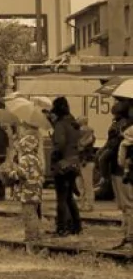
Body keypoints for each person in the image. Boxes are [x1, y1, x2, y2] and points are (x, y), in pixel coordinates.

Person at [47, 97, 82, 236]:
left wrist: (54, 155)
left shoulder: (61, 125)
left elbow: (60, 144)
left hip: (63, 164)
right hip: (74, 162)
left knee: (61, 198)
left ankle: (62, 228)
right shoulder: (73, 123)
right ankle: (76, 226)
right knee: (69, 197)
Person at [4, 134, 44, 244]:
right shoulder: (37, 158)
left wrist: (10, 173)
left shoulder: (25, 159)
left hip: (27, 191)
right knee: (34, 214)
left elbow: (21, 175)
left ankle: (31, 238)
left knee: (28, 216)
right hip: (36, 190)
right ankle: (36, 235)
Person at [75, 116, 96, 212]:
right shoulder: (86, 135)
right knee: (83, 184)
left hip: (85, 161)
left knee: (84, 184)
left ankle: (87, 204)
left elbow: (81, 147)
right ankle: (84, 204)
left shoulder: (86, 134)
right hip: (83, 161)